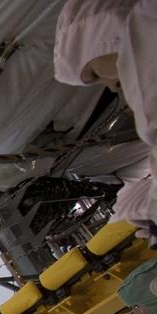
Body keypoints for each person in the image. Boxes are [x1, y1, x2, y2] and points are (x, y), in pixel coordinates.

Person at [54, 0, 156, 245]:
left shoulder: (143, 49)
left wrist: (147, 206)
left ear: (96, 39)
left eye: (96, 74)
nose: (110, 85)